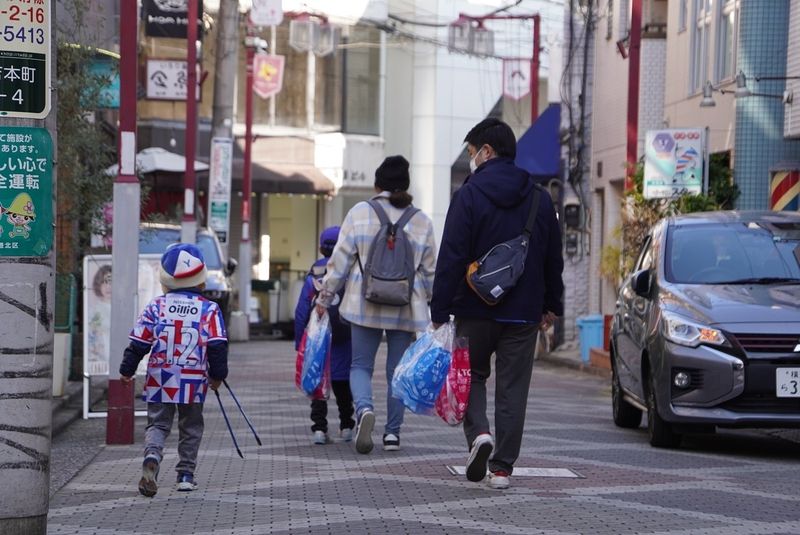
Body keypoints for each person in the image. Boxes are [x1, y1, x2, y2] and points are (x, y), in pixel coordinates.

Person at [430, 118, 564, 490]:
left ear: (486, 152)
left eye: (472, 153)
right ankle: (502, 468)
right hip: (523, 312)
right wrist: (552, 303)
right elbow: (553, 257)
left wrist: (439, 311)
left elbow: (452, 256)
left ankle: (479, 435)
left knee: (472, 375)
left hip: (474, 309)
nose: (471, 160)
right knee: (513, 387)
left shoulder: (468, 195)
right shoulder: (539, 198)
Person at [316, 155, 437, 454]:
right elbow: (432, 272)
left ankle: (364, 411)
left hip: (362, 303)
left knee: (360, 365)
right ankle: (392, 434)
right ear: (407, 186)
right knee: (398, 371)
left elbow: (339, 263)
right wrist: (433, 306)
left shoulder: (360, 212)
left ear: (377, 184)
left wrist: (324, 298)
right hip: (406, 307)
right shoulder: (421, 220)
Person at [119, 243, 229, 497]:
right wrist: (217, 376)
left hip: (160, 377)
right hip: (193, 380)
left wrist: (126, 370)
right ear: (201, 280)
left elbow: (139, 343)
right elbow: (217, 346)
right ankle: (186, 475)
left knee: (158, 424)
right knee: (191, 427)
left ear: (165, 280)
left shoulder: (156, 307)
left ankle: (153, 455)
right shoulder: (209, 309)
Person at [294, 226, 355, 445]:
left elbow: (302, 311)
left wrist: (299, 341)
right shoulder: (349, 273)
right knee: (342, 382)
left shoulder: (313, 276)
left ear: (321, 248)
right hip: (345, 335)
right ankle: (347, 425)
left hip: (317, 338)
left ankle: (319, 429)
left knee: (317, 380)